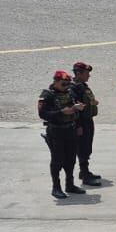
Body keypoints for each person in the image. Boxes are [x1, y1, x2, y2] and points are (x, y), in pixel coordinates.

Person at [38, 71, 86, 200]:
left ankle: (69, 184)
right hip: (56, 131)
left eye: (68, 84)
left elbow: (75, 107)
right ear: (55, 81)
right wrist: (61, 112)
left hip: (70, 129)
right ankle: (56, 187)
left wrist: (78, 111)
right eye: (63, 84)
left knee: (70, 159)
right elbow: (43, 114)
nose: (66, 86)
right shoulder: (47, 95)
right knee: (57, 160)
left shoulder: (70, 92)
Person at [71, 62, 101, 186]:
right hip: (81, 122)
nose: (89, 76)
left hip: (88, 120)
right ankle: (85, 174)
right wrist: (78, 126)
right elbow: (75, 108)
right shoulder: (73, 88)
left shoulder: (82, 86)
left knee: (87, 147)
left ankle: (85, 171)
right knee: (82, 148)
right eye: (87, 73)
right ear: (78, 73)